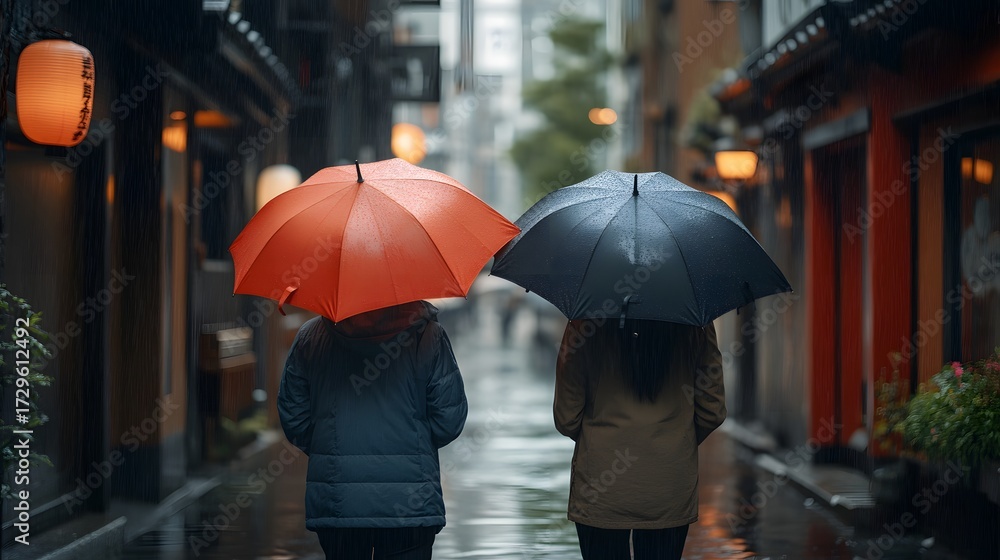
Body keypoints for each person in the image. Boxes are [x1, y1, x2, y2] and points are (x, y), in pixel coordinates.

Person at [278, 300, 468, 560]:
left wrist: (329, 446)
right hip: (409, 504)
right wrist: (417, 442)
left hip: (339, 502)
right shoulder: (428, 335)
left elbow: (294, 417)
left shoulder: (311, 337)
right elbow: (449, 419)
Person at [553, 318, 726, 560]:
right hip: (668, 485)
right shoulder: (697, 323)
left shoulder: (585, 321)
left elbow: (567, 418)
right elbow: (712, 411)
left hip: (601, 488)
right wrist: (677, 439)